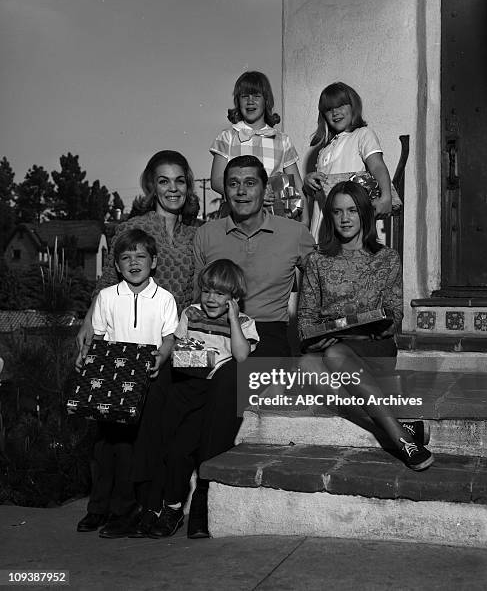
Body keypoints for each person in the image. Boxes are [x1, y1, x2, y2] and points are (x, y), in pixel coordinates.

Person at [185, 154, 315, 537]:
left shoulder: (294, 233)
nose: (241, 191)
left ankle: (205, 498)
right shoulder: (207, 234)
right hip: (214, 331)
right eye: (233, 183)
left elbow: (320, 287)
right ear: (224, 190)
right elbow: (198, 294)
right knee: (169, 388)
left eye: (250, 182)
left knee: (229, 381)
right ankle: (154, 497)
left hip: (270, 335)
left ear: (265, 188)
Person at [75, 149, 198, 534]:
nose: (172, 188)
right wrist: (87, 324)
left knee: (148, 432)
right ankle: (102, 506)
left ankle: (138, 506)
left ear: (188, 185)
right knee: (109, 431)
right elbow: (107, 285)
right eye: (164, 180)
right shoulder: (136, 225)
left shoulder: (196, 232)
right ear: (151, 185)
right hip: (122, 344)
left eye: (179, 180)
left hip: (168, 340)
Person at [298, 180, 434, 471]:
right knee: (308, 364)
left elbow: (393, 318)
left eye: (352, 210)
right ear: (330, 216)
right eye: (337, 212)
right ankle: (399, 430)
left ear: (364, 214)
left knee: (334, 356)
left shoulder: (387, 258)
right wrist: (315, 337)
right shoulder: (317, 261)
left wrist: (363, 327)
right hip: (331, 348)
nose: (345, 218)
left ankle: (399, 439)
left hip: (375, 348)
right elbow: (306, 321)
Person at [135, 259, 259, 539]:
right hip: (184, 389)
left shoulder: (244, 323)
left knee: (192, 450)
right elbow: (179, 352)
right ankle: (162, 506)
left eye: (220, 294)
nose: (211, 299)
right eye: (207, 291)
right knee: (169, 448)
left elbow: (240, 356)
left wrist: (232, 320)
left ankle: (180, 507)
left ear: (234, 298)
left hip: (212, 397)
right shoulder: (191, 313)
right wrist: (197, 354)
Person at [76, 229, 178, 538]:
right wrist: (86, 359)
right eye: (126, 258)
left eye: (140, 256)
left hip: (147, 379)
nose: (134, 263)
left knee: (131, 449)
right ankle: (98, 508)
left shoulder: (164, 299)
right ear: (117, 266)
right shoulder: (107, 297)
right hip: (112, 382)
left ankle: (124, 511)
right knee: (105, 447)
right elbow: (97, 337)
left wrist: (161, 356)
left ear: (154, 261)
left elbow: (169, 337)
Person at [304, 81, 400, 241]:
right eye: (329, 109)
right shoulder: (324, 149)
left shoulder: (363, 134)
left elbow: (377, 166)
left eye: (341, 105)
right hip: (323, 226)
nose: (335, 112)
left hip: (349, 223)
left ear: (353, 106)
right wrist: (309, 183)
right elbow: (322, 190)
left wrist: (386, 197)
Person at [210, 70, 309, 225]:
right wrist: (251, 195)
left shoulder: (282, 140)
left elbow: (297, 185)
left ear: (266, 101)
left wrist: (305, 220)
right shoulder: (227, 137)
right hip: (237, 217)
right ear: (238, 101)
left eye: (256, 96)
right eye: (245, 96)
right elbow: (216, 180)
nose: (250, 101)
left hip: (274, 217)